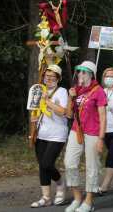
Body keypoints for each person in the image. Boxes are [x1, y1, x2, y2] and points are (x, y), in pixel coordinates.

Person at [64, 61, 107, 212]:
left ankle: (88, 202)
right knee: (69, 163)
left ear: (91, 74)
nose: (80, 74)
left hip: (93, 133)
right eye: (79, 71)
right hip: (76, 130)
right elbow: (69, 114)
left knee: (92, 167)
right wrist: (71, 97)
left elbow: (103, 117)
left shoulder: (98, 91)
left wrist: (101, 138)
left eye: (83, 71)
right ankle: (77, 198)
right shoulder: (76, 89)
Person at [30, 65, 68, 208]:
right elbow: (34, 109)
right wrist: (34, 120)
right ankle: (46, 197)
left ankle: (60, 183)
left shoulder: (62, 91)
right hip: (42, 134)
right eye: (47, 76)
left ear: (58, 79)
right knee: (42, 166)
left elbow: (63, 111)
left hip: (57, 134)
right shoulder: (40, 90)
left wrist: (47, 101)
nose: (49, 79)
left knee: (47, 163)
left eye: (53, 77)